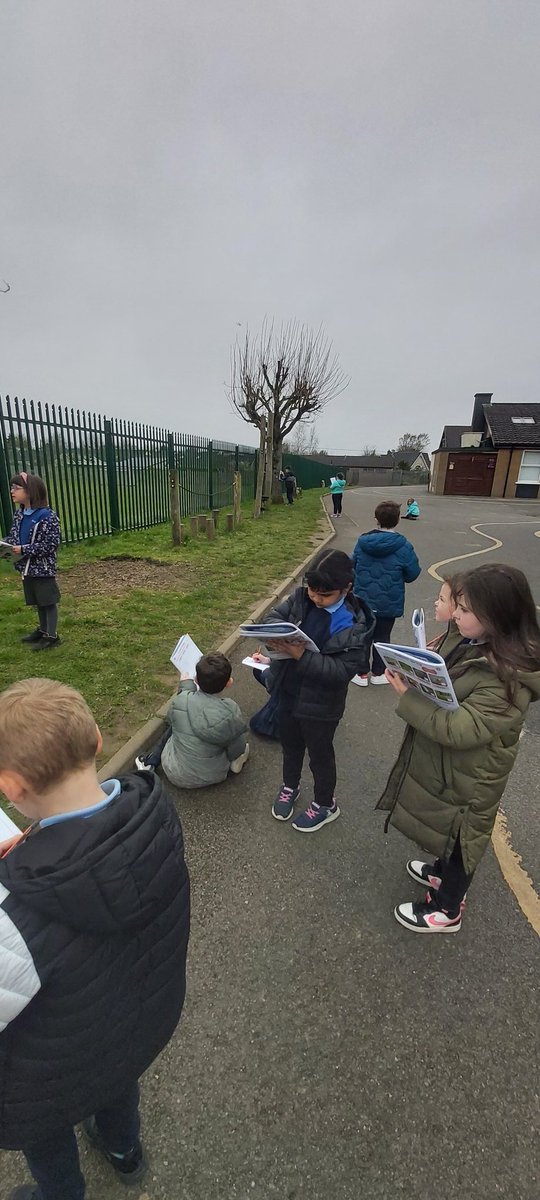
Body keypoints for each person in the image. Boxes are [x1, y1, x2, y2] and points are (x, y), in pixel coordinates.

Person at [0, 677, 190, 1199]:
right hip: (133, 1027)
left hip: (48, 1077)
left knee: (48, 1142)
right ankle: (125, 1150)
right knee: (114, 1085)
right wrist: (36, 851)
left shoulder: (13, 919)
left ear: (12, 788)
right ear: (98, 741)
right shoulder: (155, 815)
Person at [378, 564, 540, 934]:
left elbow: (459, 729)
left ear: (495, 617)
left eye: (464, 610)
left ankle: (448, 907)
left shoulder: (507, 678)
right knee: (448, 830)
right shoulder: (474, 639)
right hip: (456, 769)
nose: (455, 616)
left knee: (464, 839)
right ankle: (441, 875)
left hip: (474, 777)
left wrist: (408, 696)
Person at [254, 549, 374, 832]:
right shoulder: (300, 598)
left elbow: (341, 672)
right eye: (312, 591)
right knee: (291, 746)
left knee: (320, 755)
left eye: (325, 595)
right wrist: (278, 638)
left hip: (322, 705)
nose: (316, 599)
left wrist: (300, 655)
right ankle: (290, 786)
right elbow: (272, 619)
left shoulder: (354, 625)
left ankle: (325, 803)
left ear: (346, 589)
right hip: (287, 691)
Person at [135, 651, 249, 787]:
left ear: (195, 679)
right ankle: (237, 761)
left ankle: (149, 762)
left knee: (180, 722)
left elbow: (172, 718)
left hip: (173, 770)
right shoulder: (230, 709)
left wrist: (184, 686)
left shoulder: (181, 701)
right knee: (234, 736)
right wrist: (238, 753)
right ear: (229, 683)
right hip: (212, 774)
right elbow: (236, 744)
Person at [350, 499, 420, 685]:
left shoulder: (362, 542)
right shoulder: (403, 546)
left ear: (376, 519)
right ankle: (380, 673)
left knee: (363, 634)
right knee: (382, 636)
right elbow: (412, 573)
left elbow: (352, 566)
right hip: (389, 600)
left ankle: (361, 673)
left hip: (363, 598)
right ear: (397, 520)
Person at [3, 472, 62, 650]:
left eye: (16, 488)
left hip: (42, 568)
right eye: (12, 487)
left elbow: (50, 545)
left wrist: (24, 549)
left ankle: (52, 636)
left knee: (48, 602)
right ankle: (42, 630)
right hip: (26, 568)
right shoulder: (20, 514)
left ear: (30, 491)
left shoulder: (47, 516)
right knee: (37, 601)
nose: (12, 491)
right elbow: (14, 537)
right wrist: (4, 546)